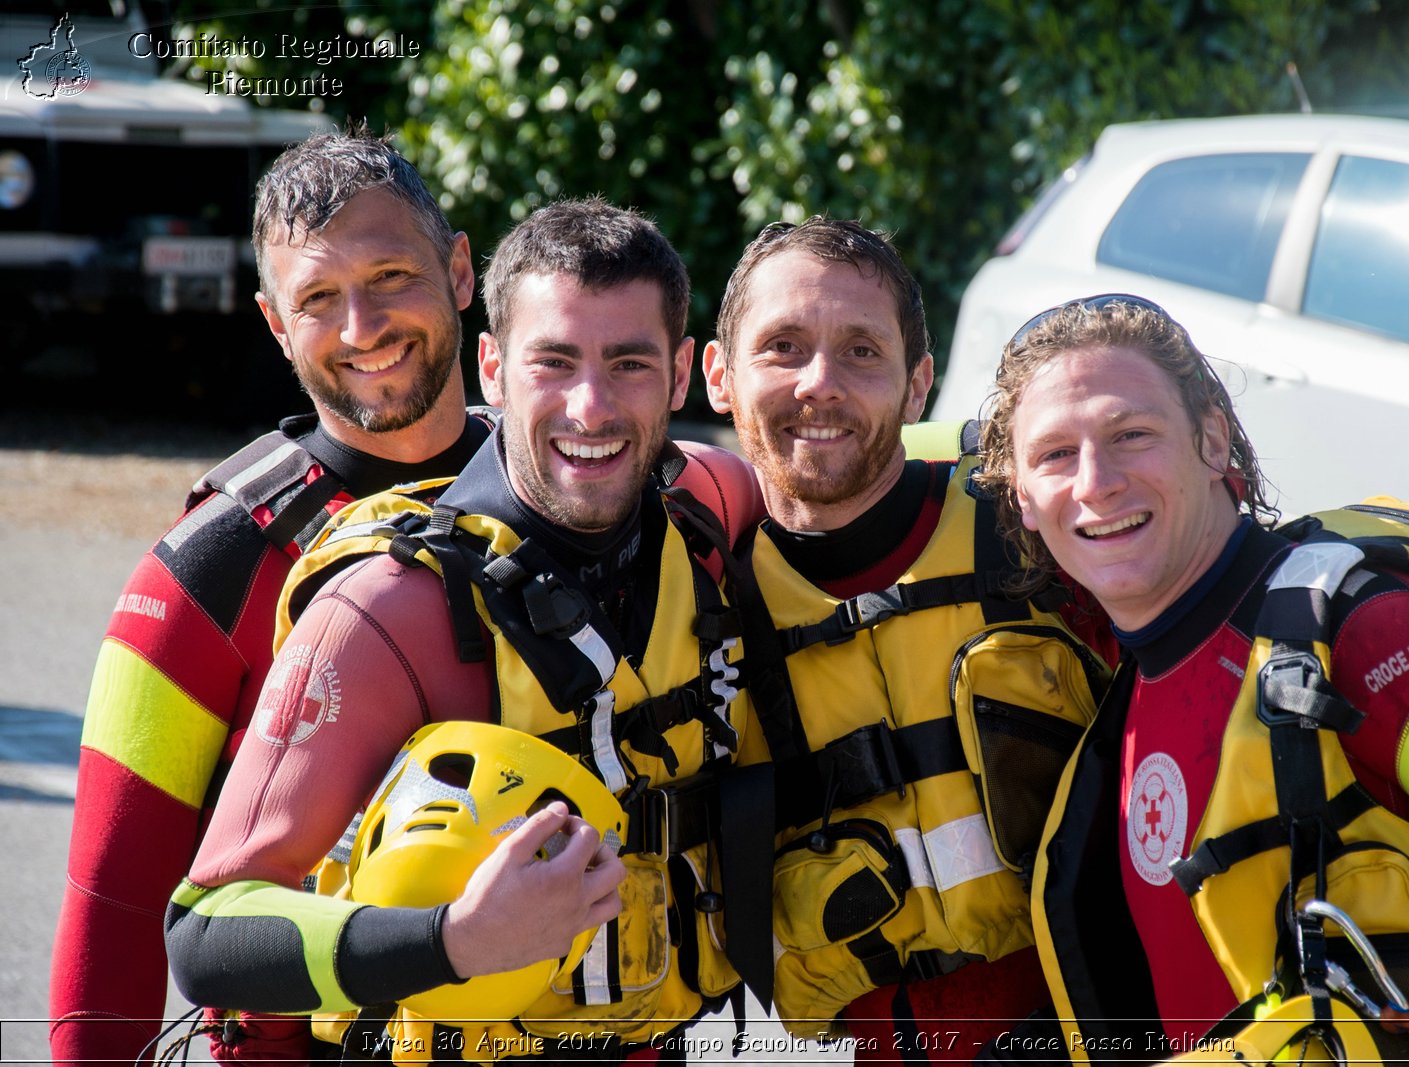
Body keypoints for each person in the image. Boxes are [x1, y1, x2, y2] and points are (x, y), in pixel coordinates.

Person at [164, 198, 765, 1063]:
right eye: (553, 361)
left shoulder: (711, 507)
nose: (590, 407)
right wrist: (455, 941)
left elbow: (873, 470)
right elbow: (206, 932)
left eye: (628, 363)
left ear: (679, 377)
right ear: (492, 368)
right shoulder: (383, 609)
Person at [975, 293, 1409, 1063]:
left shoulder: (1369, 631)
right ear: (1021, 498)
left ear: (1212, 440)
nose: (1095, 481)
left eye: (1131, 433)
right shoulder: (1119, 710)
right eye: (1055, 455)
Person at [50, 128, 494, 1065]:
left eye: (391, 277)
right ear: (274, 324)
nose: (363, 326)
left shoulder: (573, 491)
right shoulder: (205, 573)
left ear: (460, 269)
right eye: (320, 299)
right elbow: (114, 906)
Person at [701, 218, 1111, 1061]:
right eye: (783, 346)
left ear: (918, 383)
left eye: (862, 350)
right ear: (718, 377)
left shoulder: (1036, 530)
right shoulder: (692, 604)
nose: (821, 383)